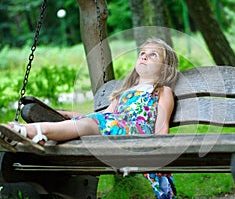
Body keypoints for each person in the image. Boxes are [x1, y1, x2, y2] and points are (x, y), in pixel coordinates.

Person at [0, 38, 178, 198]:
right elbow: (105, 115)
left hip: (133, 135)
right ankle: (32, 135)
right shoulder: (125, 92)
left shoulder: (162, 91)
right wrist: (71, 115)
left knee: (87, 125)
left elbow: (162, 128)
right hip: (113, 127)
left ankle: (31, 131)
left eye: (153, 55)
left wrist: (159, 155)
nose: (144, 57)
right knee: (86, 123)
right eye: (142, 53)